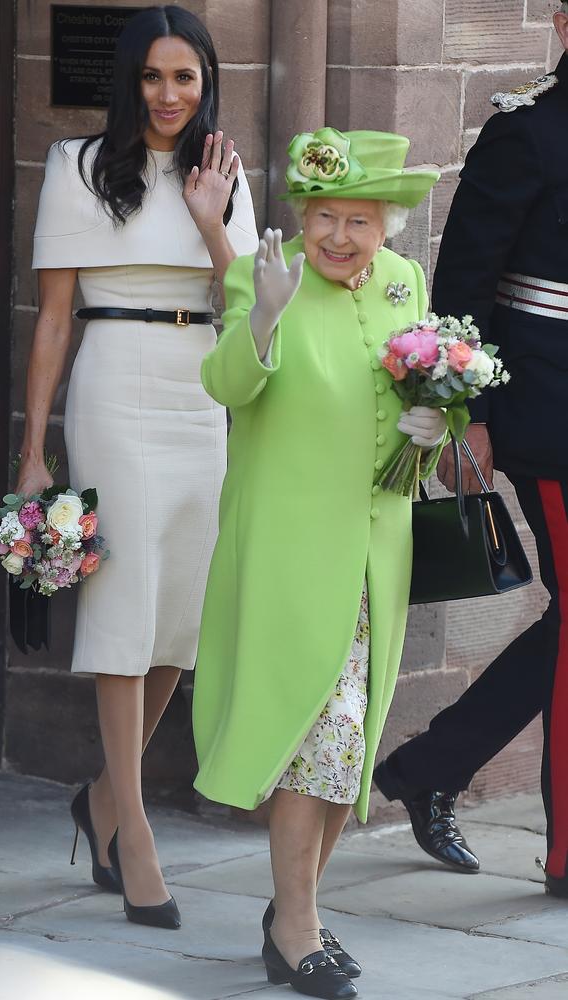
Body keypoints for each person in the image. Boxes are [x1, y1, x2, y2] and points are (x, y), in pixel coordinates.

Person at [15, 5, 258, 929]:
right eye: (154, 77)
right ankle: (136, 828)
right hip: (115, 383)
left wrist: (211, 222)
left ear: (206, 83)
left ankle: (102, 801)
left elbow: (245, 303)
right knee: (125, 605)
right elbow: (52, 319)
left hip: (203, 388)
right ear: (130, 80)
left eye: (185, 77)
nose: (169, 95)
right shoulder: (77, 167)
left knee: (181, 619)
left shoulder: (222, 173)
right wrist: (34, 450)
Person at [192, 128, 441, 997]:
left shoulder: (407, 282)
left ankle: (295, 909)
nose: (339, 236)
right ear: (302, 215)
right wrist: (261, 314)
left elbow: (423, 383)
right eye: (324, 216)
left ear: (389, 225)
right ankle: (295, 926)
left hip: (382, 548)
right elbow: (225, 386)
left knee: (349, 744)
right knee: (317, 739)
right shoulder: (260, 275)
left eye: (359, 220)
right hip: (293, 550)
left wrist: (435, 425)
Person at [373, 4, 568, 900]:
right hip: (548, 413)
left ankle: (429, 767)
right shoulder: (527, 130)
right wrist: (473, 414)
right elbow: (462, 283)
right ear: (562, 23)